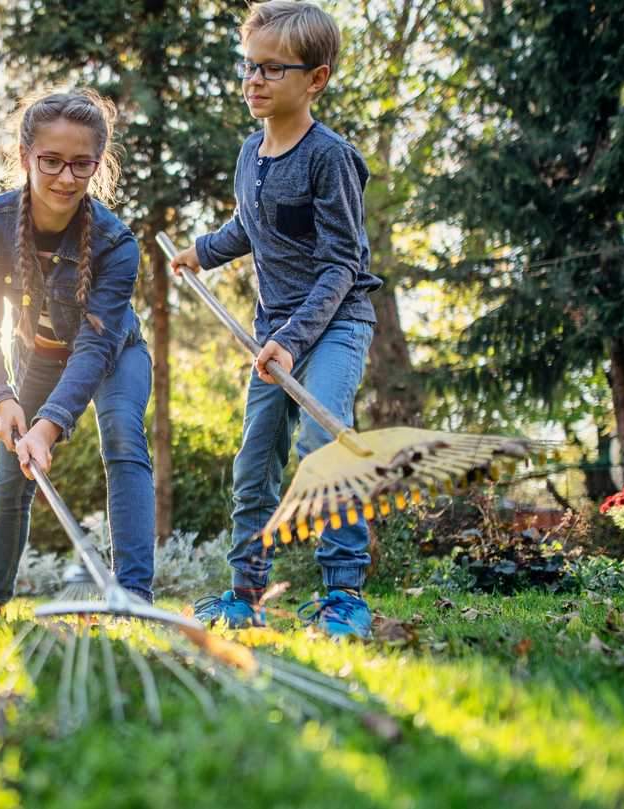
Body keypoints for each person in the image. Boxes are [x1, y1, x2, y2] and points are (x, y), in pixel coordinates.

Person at [170, 1, 382, 637]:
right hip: (276, 333)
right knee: (255, 457)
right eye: (248, 66)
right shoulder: (250, 153)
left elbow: (342, 262)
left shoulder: (329, 157)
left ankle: (344, 594)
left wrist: (291, 340)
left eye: (271, 69)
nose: (253, 81)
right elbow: (250, 225)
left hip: (336, 322)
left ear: (315, 79)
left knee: (324, 441)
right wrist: (201, 253)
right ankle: (245, 592)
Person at [0, 89, 154, 616]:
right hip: (37, 356)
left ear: (98, 164)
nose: (66, 178)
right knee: (10, 475)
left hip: (116, 354)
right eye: (51, 161)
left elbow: (94, 347)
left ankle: (134, 597)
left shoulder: (116, 244)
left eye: (81, 164)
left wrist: (50, 424)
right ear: (25, 157)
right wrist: (2, 397)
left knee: (121, 437)